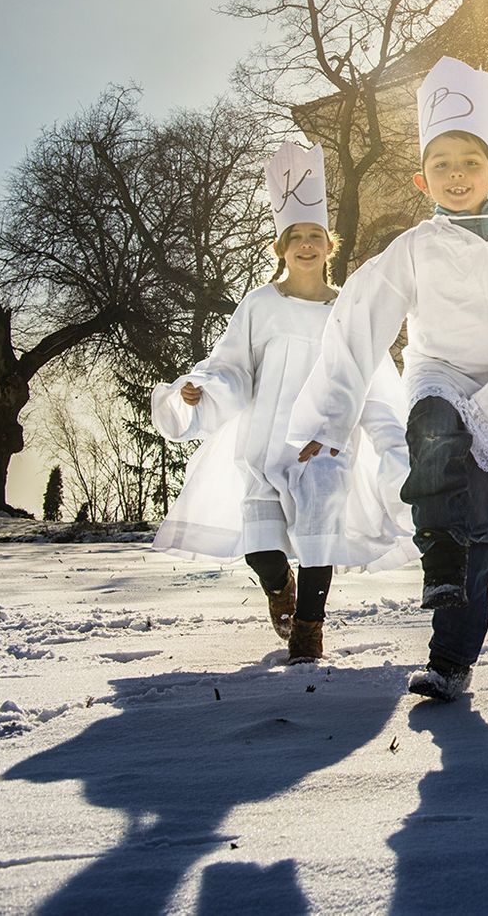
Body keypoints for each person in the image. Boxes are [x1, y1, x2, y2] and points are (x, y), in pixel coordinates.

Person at [291, 58, 488, 702]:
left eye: (469, 162)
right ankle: (436, 555)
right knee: (430, 428)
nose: (456, 175)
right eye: (441, 165)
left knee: (481, 521)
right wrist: (327, 419)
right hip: (439, 372)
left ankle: (453, 658)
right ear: (420, 178)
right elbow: (357, 321)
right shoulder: (414, 247)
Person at [151, 142, 413, 664]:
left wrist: (393, 442)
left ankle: (309, 629)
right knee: (261, 547)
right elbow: (233, 365)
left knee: (319, 534)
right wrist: (202, 388)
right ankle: (280, 589)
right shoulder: (260, 304)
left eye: (316, 236)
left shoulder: (346, 310)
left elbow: (372, 379)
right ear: (282, 247)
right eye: (297, 237)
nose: (307, 245)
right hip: (264, 445)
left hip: (324, 446)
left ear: (329, 245)